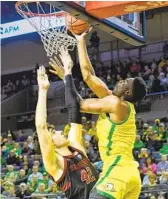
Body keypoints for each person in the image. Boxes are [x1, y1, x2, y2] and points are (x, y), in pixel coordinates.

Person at [49, 31, 146, 199]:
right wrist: (80, 41)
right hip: (128, 174)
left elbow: (78, 105)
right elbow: (88, 76)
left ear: (128, 92)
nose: (119, 81)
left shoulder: (116, 104)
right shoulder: (115, 103)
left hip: (118, 171)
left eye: (124, 82)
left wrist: (68, 74)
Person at [35, 65, 98, 199]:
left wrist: (66, 79)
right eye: (54, 133)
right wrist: (43, 90)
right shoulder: (55, 163)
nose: (60, 131)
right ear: (51, 144)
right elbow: (41, 127)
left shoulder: (76, 147)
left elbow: (75, 111)